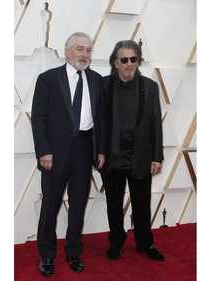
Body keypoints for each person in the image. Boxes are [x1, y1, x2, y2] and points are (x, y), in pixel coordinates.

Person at [31, 32, 105, 276]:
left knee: (78, 206)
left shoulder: (96, 80)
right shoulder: (48, 79)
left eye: (88, 50)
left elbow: (100, 120)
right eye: (80, 49)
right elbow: (39, 119)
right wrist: (44, 151)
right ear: (67, 52)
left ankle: (73, 252)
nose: (85, 55)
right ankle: (47, 256)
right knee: (49, 207)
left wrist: (100, 150)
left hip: (84, 149)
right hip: (55, 152)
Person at [100, 40, 164, 262]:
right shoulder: (104, 85)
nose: (129, 64)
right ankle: (116, 242)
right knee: (113, 205)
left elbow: (156, 123)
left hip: (140, 157)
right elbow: (98, 123)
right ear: (115, 62)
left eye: (133, 59)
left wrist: (157, 156)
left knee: (142, 204)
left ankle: (145, 243)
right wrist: (99, 152)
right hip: (113, 157)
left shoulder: (150, 86)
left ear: (138, 61)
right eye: (124, 60)